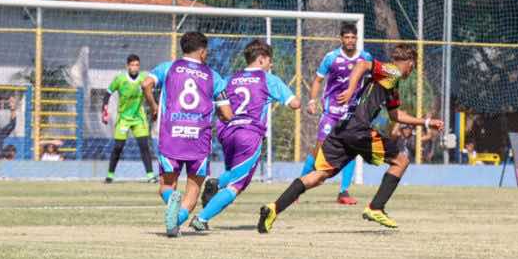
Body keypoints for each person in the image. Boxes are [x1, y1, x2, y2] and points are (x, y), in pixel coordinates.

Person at [259, 43, 443, 232]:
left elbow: (396, 116)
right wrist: (349, 90)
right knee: (401, 161)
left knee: (319, 175)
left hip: (343, 128)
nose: (412, 71)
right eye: (413, 66)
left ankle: (273, 208)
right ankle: (376, 207)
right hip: (359, 130)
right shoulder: (392, 71)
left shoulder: (391, 82)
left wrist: (427, 123)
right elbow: (362, 64)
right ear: (410, 63)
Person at [188, 40, 299, 231]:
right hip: (249, 134)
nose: (271, 65)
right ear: (262, 59)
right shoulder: (268, 79)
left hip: (226, 132)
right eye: (270, 61)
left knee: (233, 173)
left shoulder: (230, 79)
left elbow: (218, 103)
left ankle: (215, 183)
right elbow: (295, 103)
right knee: (237, 185)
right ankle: (202, 218)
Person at [142, 31, 232, 237]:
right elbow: (227, 114)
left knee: (166, 186)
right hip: (198, 139)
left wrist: (154, 106)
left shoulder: (168, 67)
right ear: (202, 52)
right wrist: (220, 112)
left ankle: (172, 204)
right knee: (193, 190)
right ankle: (175, 223)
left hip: (171, 134)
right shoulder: (213, 76)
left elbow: (146, 84)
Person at [304, 22, 372, 205]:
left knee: (351, 151)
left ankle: (343, 192)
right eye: (346, 37)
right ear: (341, 38)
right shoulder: (331, 57)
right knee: (319, 151)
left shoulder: (365, 57)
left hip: (352, 114)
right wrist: (312, 101)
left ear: (357, 38)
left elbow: (371, 82)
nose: (350, 41)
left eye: (353, 37)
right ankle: (298, 187)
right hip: (331, 112)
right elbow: (318, 80)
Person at [101, 54, 158, 183]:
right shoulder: (120, 79)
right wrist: (104, 111)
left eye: (137, 65)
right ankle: (110, 175)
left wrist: (155, 108)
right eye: (132, 65)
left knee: (144, 146)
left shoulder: (144, 78)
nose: (135, 67)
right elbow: (108, 93)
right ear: (127, 66)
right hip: (124, 118)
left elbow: (151, 94)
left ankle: (150, 176)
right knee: (118, 147)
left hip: (139, 118)